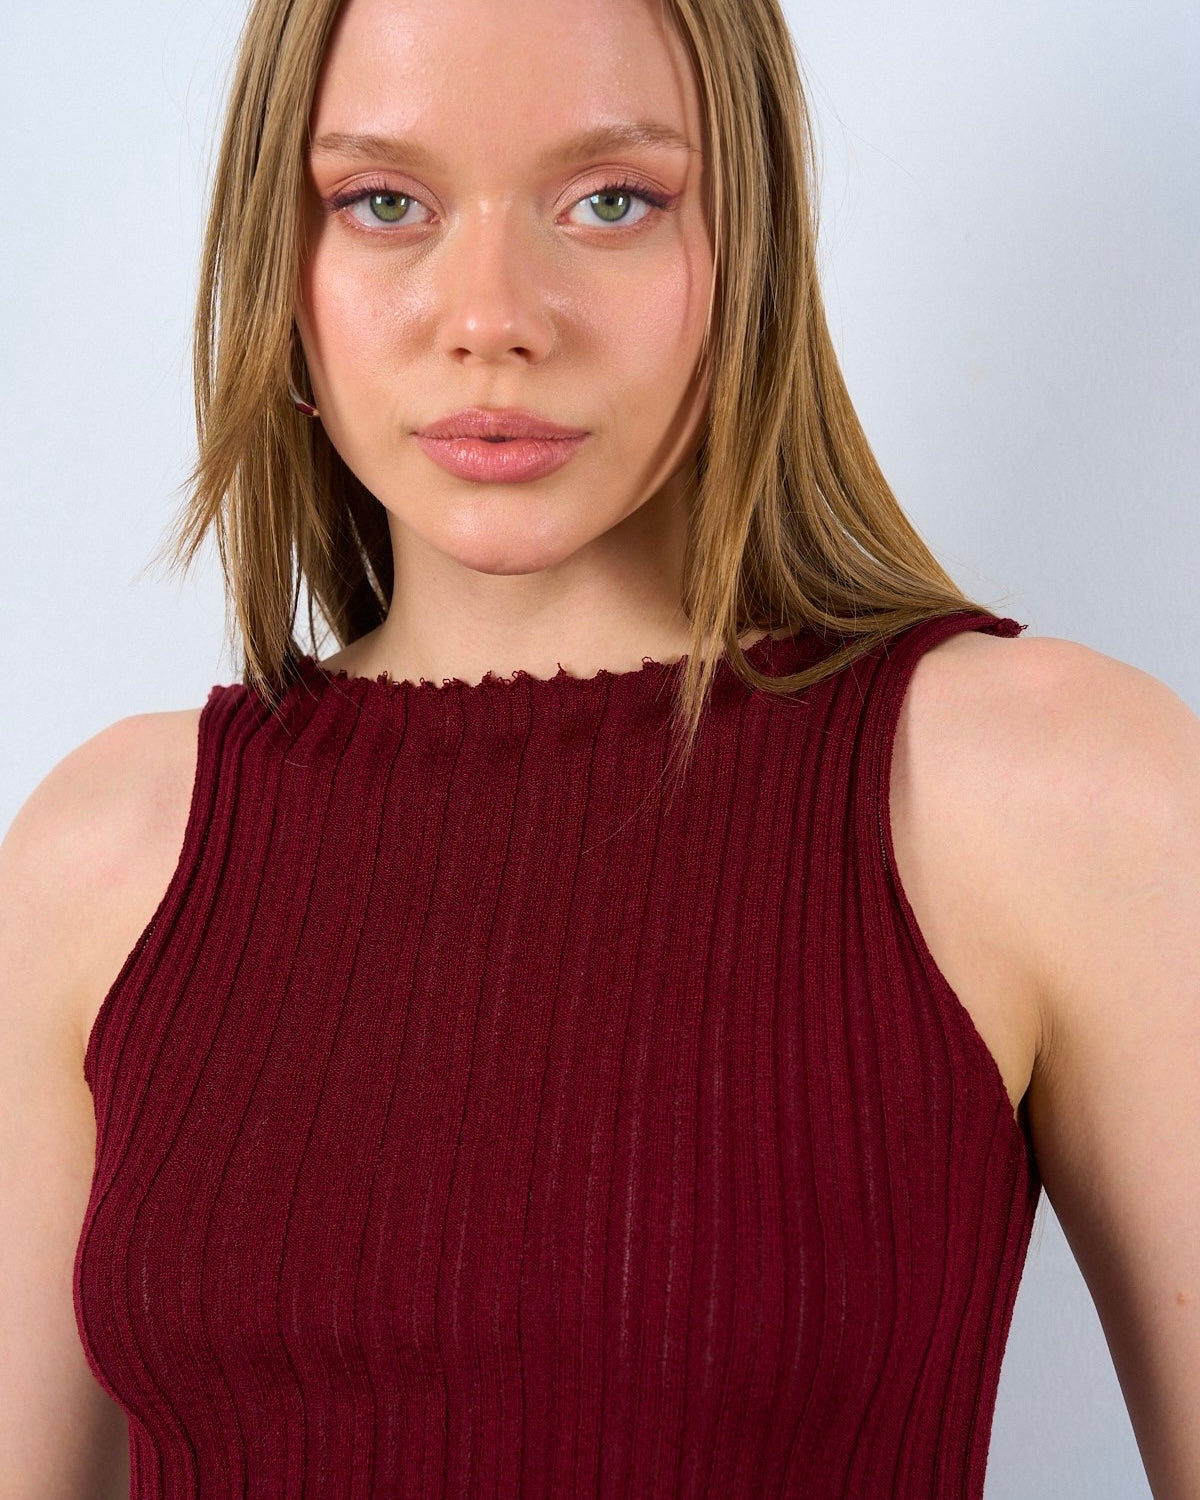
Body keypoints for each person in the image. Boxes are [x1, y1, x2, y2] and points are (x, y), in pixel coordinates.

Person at [1, 0, 1197, 1494]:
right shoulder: (104, 857)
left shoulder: (1051, 790)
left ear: (748, 248)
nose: (493, 313)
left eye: (612, 200)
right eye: (384, 202)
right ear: (282, 267)